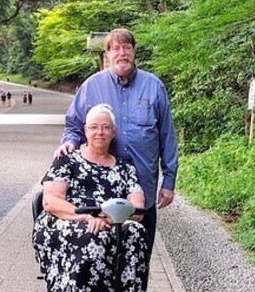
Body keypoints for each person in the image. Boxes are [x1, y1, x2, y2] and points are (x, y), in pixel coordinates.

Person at [34, 104, 161, 292]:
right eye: (94, 127)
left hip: (112, 222)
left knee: (136, 233)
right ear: (85, 131)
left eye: (105, 127)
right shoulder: (67, 161)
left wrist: (113, 218)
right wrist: (85, 217)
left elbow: (137, 203)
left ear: (114, 132)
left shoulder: (125, 166)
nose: (99, 132)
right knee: (91, 239)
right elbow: (51, 202)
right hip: (67, 221)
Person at [56, 28, 178, 271]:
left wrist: (169, 181)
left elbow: (167, 136)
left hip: (141, 189)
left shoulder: (153, 87)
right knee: (98, 258)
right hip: (97, 191)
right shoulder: (91, 86)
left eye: (127, 48)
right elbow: (74, 125)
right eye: (116, 48)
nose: (122, 53)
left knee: (138, 259)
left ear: (134, 52)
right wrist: (69, 141)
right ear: (107, 54)